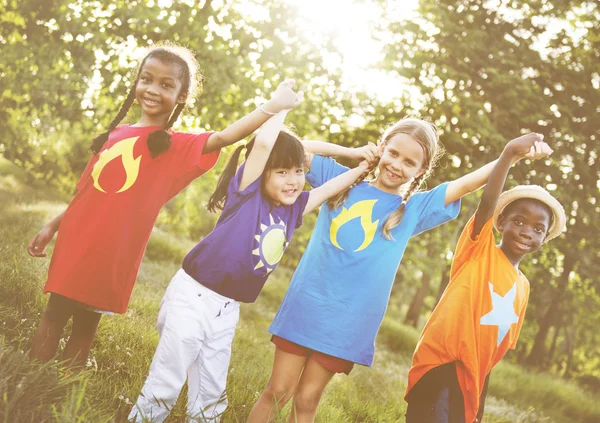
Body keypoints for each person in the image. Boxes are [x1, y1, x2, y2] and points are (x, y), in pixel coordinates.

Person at [248, 119, 552, 423]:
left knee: (306, 401)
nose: (397, 165)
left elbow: (468, 183)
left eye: (409, 162)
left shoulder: (412, 210)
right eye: (392, 153)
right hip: (307, 304)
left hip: (347, 322)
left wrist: (511, 156)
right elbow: (288, 147)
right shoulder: (341, 180)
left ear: (420, 171)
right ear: (381, 149)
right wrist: (351, 152)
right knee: (277, 391)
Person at [26, 43, 301, 367]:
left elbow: (226, 136)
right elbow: (87, 193)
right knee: (54, 313)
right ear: (137, 82)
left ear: (182, 96)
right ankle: (31, 377)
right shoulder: (115, 134)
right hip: (76, 239)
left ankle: (60, 388)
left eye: (166, 84)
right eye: (147, 79)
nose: (153, 89)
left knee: (85, 328)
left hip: (112, 253)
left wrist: (274, 106)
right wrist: (52, 226)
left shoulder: (174, 147)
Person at [128, 95, 374, 422]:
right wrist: (280, 107)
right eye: (282, 172)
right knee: (169, 377)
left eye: (298, 171)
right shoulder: (246, 193)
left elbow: (329, 187)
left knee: (211, 389)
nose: (293, 180)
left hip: (227, 309)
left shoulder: (293, 210)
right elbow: (263, 145)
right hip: (194, 297)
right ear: (262, 174)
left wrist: (358, 164)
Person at [404, 135, 564, 423]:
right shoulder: (480, 250)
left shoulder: (523, 287)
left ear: (545, 237)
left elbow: (492, 352)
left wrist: (479, 406)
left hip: (470, 382)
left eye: (538, 228)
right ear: (500, 223)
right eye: (519, 221)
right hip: (441, 364)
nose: (528, 231)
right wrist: (509, 152)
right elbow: (488, 202)